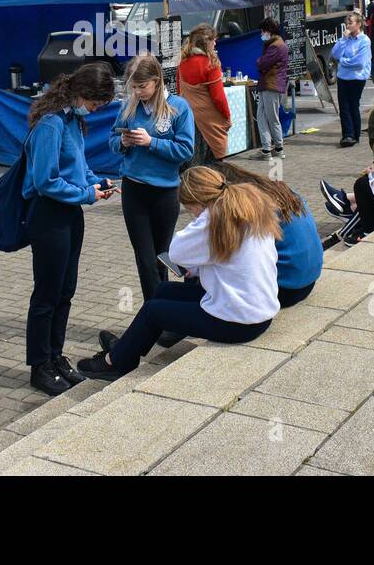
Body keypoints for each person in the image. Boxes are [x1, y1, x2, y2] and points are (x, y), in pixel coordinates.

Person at [76, 166, 280, 379]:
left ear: (199, 203)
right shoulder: (246, 210)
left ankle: (116, 363)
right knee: (163, 290)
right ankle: (128, 346)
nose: (191, 215)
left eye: (190, 210)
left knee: (153, 311)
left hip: (239, 323)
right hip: (260, 313)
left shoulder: (213, 220)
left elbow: (176, 252)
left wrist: (201, 218)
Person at [22, 62, 118, 395]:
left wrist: (96, 182)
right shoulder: (50, 124)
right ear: (82, 93)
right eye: (96, 103)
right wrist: (86, 193)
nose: (95, 110)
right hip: (49, 216)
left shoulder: (73, 121)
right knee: (47, 294)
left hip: (70, 215)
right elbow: (45, 180)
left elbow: (79, 167)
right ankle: (39, 366)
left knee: (66, 291)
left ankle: (56, 357)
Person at [110, 54, 195, 305]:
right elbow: (111, 142)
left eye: (142, 86)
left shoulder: (179, 107)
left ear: (156, 81)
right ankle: (154, 313)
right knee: (145, 259)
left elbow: (186, 150)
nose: (138, 92)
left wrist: (151, 143)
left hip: (166, 192)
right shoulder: (129, 107)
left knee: (161, 256)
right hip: (134, 190)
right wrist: (122, 142)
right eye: (133, 87)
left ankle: (164, 311)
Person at [213, 162, 322, 307]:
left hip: (283, 289)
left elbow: (232, 252)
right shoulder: (280, 189)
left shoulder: (249, 206)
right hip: (308, 281)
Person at [177, 23, 231, 161]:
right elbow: (218, 97)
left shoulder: (183, 62)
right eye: (213, 40)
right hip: (209, 121)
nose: (215, 42)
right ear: (206, 43)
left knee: (193, 161)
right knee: (213, 164)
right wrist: (227, 116)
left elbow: (179, 90)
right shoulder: (211, 64)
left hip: (189, 118)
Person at [330, 11, 370, 148]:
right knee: (344, 107)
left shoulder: (364, 41)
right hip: (343, 77)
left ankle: (355, 134)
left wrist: (343, 61)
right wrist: (343, 40)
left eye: (351, 23)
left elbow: (359, 62)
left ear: (358, 24)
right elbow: (335, 54)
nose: (348, 25)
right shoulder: (345, 39)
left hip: (357, 77)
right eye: (347, 23)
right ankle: (347, 135)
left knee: (353, 105)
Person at [254, 18, 289, 159]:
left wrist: (258, 61)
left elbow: (262, 63)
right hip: (269, 85)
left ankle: (278, 148)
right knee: (262, 116)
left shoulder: (276, 46)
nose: (262, 34)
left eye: (263, 31)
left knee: (271, 117)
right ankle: (267, 149)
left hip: (272, 86)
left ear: (269, 31)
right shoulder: (275, 44)